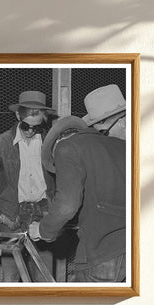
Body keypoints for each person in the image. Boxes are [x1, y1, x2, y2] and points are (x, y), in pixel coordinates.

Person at [29, 103, 126, 282]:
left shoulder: (66, 147)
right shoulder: (122, 147)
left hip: (102, 254)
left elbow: (66, 205)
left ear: (56, 144)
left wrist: (43, 230)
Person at [0, 91, 58, 282]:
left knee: (45, 277)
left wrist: (55, 210)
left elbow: (61, 178)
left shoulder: (50, 143)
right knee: (11, 277)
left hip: (44, 213)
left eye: (36, 128)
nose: (30, 131)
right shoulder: (1, 143)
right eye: (25, 126)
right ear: (17, 116)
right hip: (12, 216)